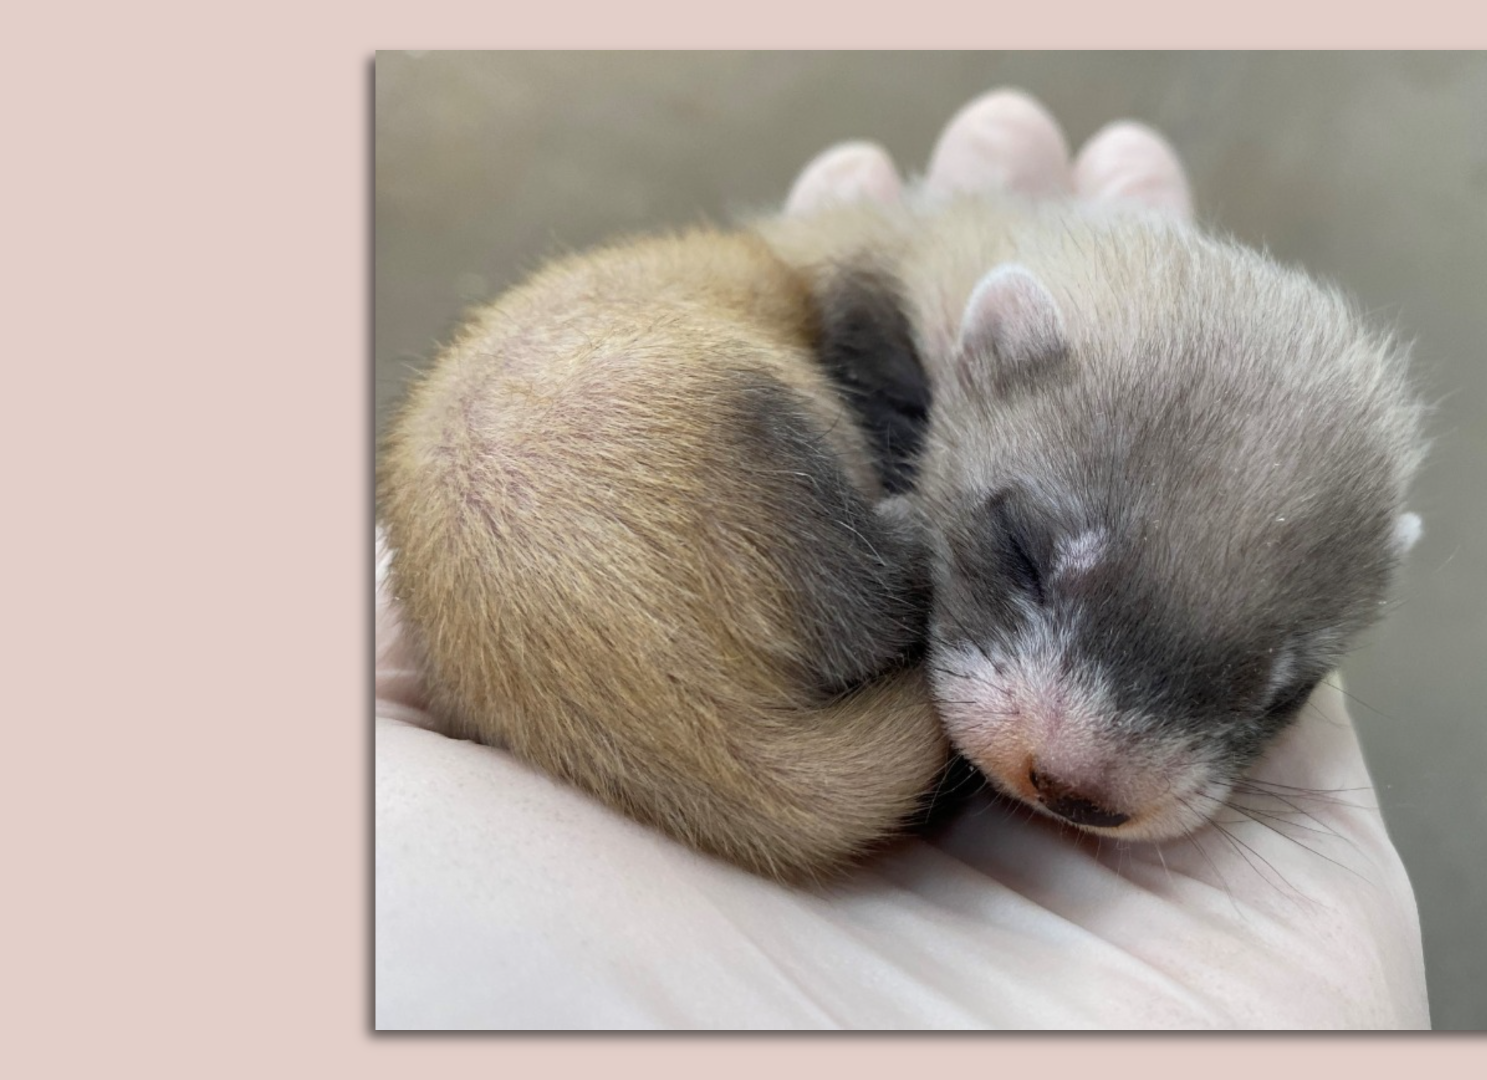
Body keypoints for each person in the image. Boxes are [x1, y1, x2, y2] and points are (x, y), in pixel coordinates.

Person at [374, 89, 1429, 1030]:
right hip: (656, 502)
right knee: (548, 418)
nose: (1087, 767)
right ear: (991, 344)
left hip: (672, 674)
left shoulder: (969, 356)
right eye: (1023, 555)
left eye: (1257, 693)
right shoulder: (840, 315)